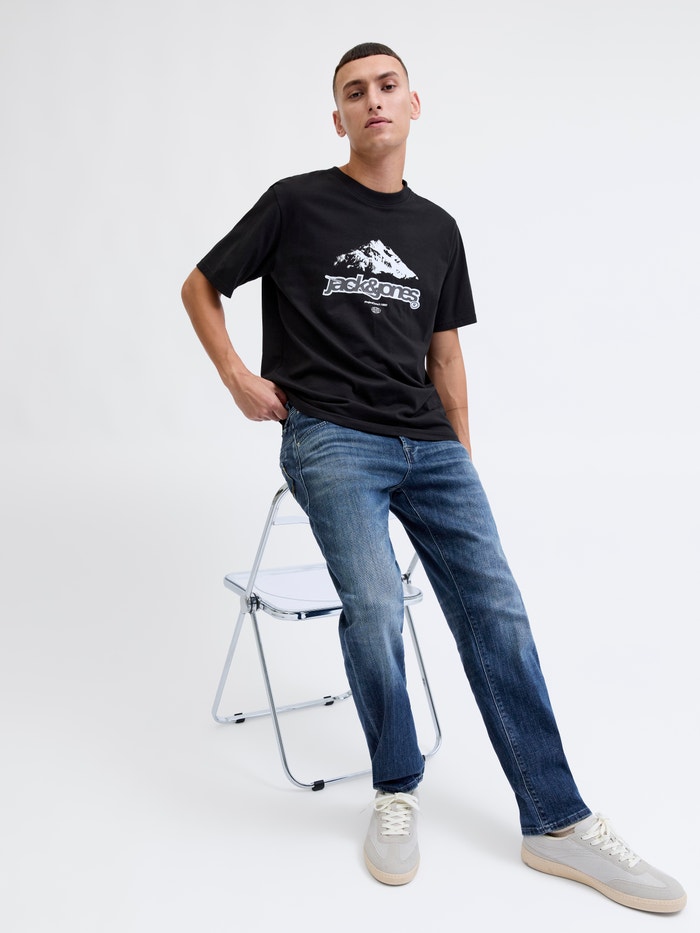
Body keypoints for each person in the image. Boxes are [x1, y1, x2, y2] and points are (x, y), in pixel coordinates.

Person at [181, 42, 686, 912]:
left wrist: (461, 458)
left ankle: (556, 821)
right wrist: (237, 376)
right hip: (330, 436)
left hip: (431, 445)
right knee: (377, 603)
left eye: (387, 86)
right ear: (337, 117)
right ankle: (395, 785)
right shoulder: (295, 202)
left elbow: (445, 353)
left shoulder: (438, 229)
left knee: (498, 608)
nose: (372, 100)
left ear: (414, 104)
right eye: (354, 92)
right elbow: (200, 283)